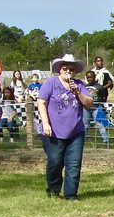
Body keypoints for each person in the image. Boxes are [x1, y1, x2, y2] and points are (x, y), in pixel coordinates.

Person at [37, 54, 93, 200]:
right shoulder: (51, 83)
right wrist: (46, 123)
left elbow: (89, 103)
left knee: (73, 164)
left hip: (75, 132)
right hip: (53, 132)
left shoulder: (79, 85)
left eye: (71, 69)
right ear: (59, 69)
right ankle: (53, 190)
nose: (68, 71)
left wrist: (77, 92)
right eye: (65, 68)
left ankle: (70, 195)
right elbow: (41, 102)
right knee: (55, 162)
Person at [82, 71, 109, 144]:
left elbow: (103, 96)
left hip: (97, 107)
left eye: (91, 77)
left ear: (94, 77)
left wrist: (102, 106)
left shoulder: (99, 86)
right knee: (85, 124)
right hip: (86, 108)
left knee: (100, 124)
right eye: (88, 78)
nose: (89, 79)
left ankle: (105, 140)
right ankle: (82, 140)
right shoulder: (84, 86)